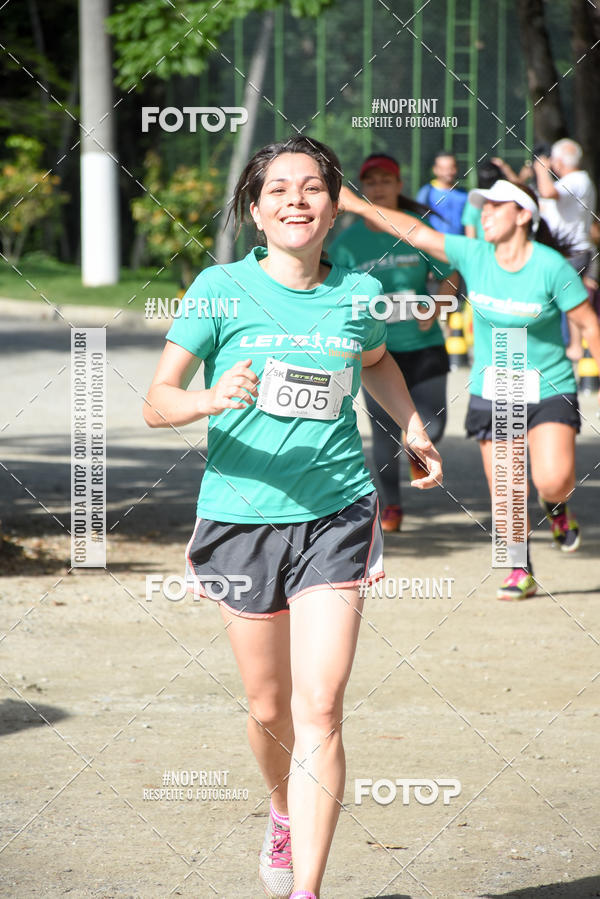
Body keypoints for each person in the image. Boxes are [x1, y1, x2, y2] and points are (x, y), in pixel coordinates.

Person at [143, 135, 442, 899]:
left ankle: (306, 888)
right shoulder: (218, 288)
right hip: (242, 517)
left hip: (336, 514)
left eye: (313, 188)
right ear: (255, 210)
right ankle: (281, 806)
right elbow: (157, 400)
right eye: (279, 189)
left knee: (321, 704)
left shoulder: (353, 296)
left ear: (333, 208)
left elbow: (375, 362)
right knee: (270, 705)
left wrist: (409, 426)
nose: (297, 200)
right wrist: (210, 398)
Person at [339, 178, 600, 601]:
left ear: (523, 215)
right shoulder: (474, 255)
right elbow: (412, 231)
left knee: (553, 481)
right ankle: (519, 567)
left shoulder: (550, 266)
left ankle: (555, 506)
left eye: (497, 206)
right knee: (507, 486)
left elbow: (589, 323)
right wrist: (357, 204)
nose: (485, 213)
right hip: (494, 390)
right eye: (483, 207)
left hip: (548, 386)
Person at [328, 152, 458, 532]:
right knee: (383, 431)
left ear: (399, 186)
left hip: (424, 345)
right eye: (371, 182)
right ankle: (391, 507)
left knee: (432, 424)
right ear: (362, 189)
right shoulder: (347, 242)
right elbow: (336, 292)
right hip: (376, 351)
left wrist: (434, 308)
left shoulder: (417, 230)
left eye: (386, 181)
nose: (378, 187)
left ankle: (415, 441)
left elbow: (450, 275)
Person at [534, 139, 599, 358]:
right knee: (571, 299)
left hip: (573, 251)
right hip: (570, 250)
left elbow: (547, 192)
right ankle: (575, 347)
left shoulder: (576, 179)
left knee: (571, 300)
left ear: (559, 160)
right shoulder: (576, 181)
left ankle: (576, 347)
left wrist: (541, 168)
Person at [416, 150, 468, 235]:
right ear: (435, 170)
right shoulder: (426, 193)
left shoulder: (464, 194)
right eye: (443, 168)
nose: (448, 172)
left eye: (452, 167)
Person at [462, 160, 503, 240]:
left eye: (495, 206)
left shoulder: (507, 203)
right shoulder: (472, 203)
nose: (485, 214)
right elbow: (471, 239)